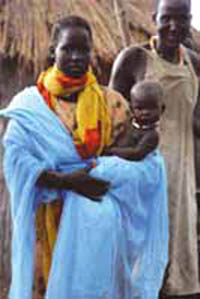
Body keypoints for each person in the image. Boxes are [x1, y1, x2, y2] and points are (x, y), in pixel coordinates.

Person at [0, 15, 168, 299]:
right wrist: (67, 181)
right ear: (54, 50)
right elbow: (16, 162)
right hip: (48, 225)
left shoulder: (113, 104)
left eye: (84, 50)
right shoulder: (31, 107)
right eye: (68, 49)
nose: (77, 57)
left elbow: (135, 165)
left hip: (101, 232)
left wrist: (106, 175)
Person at [109, 0, 200, 297]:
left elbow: (195, 119)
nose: (174, 26)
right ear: (154, 18)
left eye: (182, 18)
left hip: (181, 174)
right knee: (138, 255)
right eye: (167, 18)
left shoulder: (194, 63)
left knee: (177, 260)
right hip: (142, 172)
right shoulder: (134, 59)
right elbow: (112, 117)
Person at [103, 79, 165, 161]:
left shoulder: (152, 135)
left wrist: (110, 151)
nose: (145, 112)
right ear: (131, 109)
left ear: (162, 109)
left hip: (134, 167)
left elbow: (136, 154)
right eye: (140, 108)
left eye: (152, 108)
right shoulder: (127, 122)